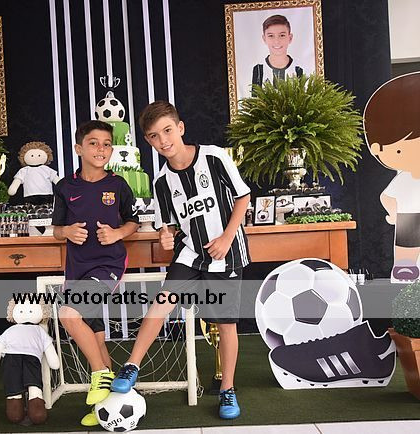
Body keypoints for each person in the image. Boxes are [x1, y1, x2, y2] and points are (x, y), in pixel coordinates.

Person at [110, 101, 251, 420]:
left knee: (225, 323)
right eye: (154, 136)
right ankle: (131, 366)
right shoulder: (162, 181)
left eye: (168, 131)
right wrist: (165, 235)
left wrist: (227, 237)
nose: (163, 140)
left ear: (181, 128)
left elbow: (243, 197)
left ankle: (227, 389)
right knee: (162, 302)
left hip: (225, 252)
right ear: (148, 140)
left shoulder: (214, 157)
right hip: (190, 253)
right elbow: (169, 225)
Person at [51, 120, 139, 426]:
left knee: (68, 314)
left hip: (108, 265)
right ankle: (108, 408)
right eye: (93, 143)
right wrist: (66, 231)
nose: (101, 149)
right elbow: (56, 230)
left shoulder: (118, 185)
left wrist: (117, 233)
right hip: (77, 269)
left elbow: (133, 222)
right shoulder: (65, 187)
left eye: (106, 144)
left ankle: (101, 375)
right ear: (79, 148)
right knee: (97, 339)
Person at [364, 72, 420, 282]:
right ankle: (405, 266)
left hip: (408, 217)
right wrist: (394, 214)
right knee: (406, 245)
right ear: (377, 148)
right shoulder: (403, 180)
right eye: (400, 150)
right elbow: (386, 197)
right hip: (408, 218)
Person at [252, 15, 303, 89]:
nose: (276, 41)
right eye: (271, 36)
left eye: (282, 35)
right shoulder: (259, 70)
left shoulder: (298, 70)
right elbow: (253, 96)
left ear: (290, 38)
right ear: (264, 39)